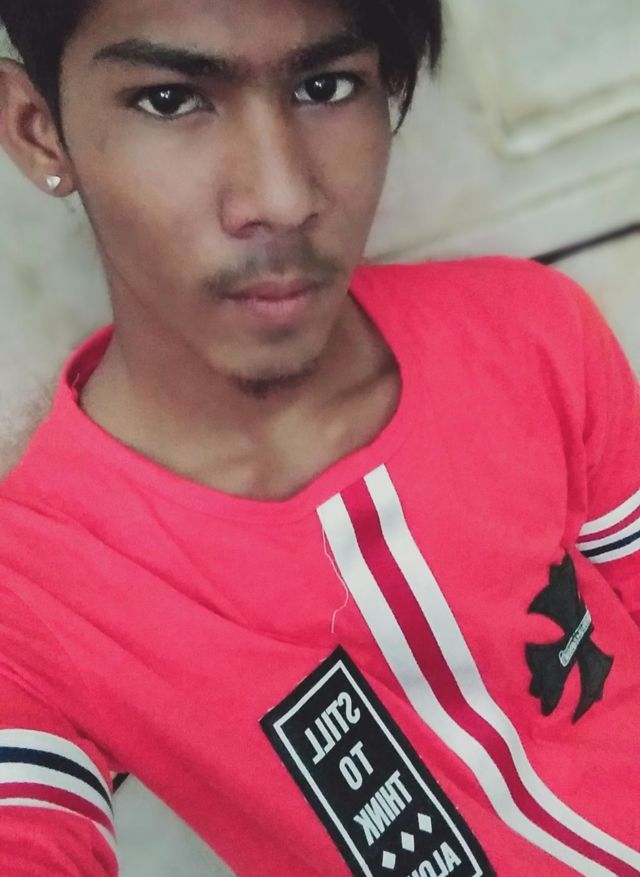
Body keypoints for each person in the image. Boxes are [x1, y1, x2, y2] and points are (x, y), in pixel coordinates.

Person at [0, 0, 638, 874]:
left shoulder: (531, 332)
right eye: (170, 100)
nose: (283, 197)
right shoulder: (33, 592)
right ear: (39, 131)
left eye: (328, 86)